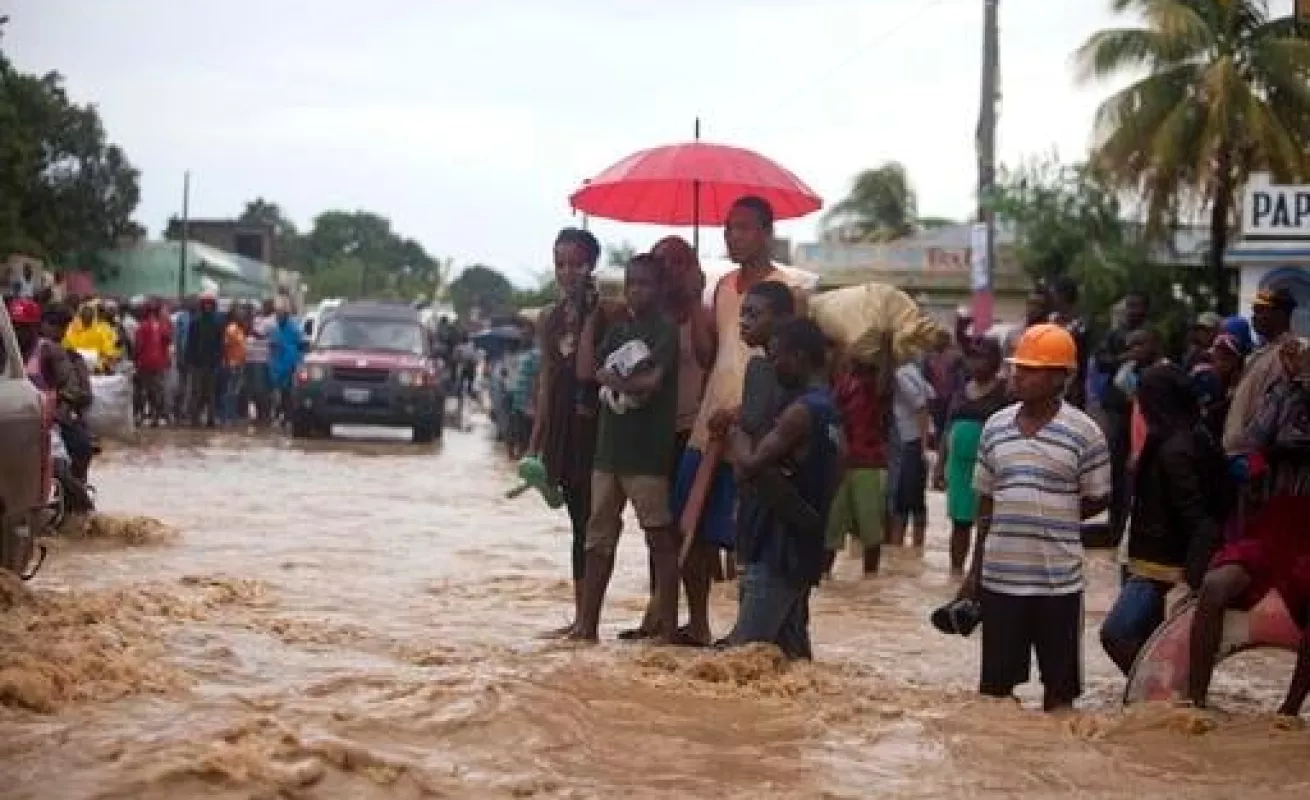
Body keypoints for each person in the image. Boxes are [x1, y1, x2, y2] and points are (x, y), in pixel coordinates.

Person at [670, 196, 811, 646]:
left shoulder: (788, 290)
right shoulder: (721, 287)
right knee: (689, 525)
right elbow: (709, 354)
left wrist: (747, 412)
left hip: (761, 429)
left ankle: (760, 631)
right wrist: (695, 298)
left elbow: (797, 362)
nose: (733, 236)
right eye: (729, 228)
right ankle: (697, 622)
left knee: (754, 535)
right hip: (709, 423)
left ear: (766, 232)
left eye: (743, 228)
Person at [958, 323, 1112, 712]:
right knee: (995, 696)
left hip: (1058, 583)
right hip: (1000, 581)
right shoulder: (995, 427)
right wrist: (974, 573)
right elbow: (986, 503)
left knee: (1060, 695)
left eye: (1031, 370)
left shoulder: (1085, 433)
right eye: (1017, 367)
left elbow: (1097, 498)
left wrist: (1051, 512)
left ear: (1060, 377)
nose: (1018, 376)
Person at [1190, 341, 1310, 716]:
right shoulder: (1283, 393)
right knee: (1214, 586)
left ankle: (1289, 712)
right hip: (1270, 527)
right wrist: (1291, 385)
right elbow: (1252, 440)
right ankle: (1194, 702)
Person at [570, 254, 680, 643]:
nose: (636, 291)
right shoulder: (618, 331)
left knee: (660, 538)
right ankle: (587, 626)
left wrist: (613, 381)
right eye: (631, 284)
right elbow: (586, 370)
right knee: (597, 540)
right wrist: (590, 319)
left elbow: (651, 382)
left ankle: (668, 628)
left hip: (647, 454)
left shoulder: (665, 330)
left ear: (660, 288)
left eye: (645, 284)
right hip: (609, 452)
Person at [719, 318, 842, 659]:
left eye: (777, 356)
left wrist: (735, 434)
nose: (772, 365)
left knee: (740, 659)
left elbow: (747, 468)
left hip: (776, 551)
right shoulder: (828, 409)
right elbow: (837, 474)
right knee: (792, 660)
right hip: (802, 549)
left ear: (798, 357)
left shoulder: (799, 413)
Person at [1100, 364, 1227, 675]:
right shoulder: (1182, 436)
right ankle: (1157, 696)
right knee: (1149, 642)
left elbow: (1201, 520)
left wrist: (1193, 580)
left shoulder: (1176, 449)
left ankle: (1155, 691)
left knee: (1115, 634)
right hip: (1147, 557)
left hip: (1161, 566)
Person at [619, 235, 714, 642]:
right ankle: (658, 615)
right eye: (662, 261)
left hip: (692, 431)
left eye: (678, 261)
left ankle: (698, 621)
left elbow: (709, 357)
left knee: (693, 530)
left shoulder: (701, 313)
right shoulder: (644, 320)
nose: (670, 268)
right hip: (652, 431)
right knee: (657, 530)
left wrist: (693, 300)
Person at [528, 227, 609, 638]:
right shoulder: (549, 317)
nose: (567, 272)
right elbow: (546, 380)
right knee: (578, 523)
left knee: (595, 524)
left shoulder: (609, 312)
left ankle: (589, 620)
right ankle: (581, 618)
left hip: (598, 425)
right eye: (560, 264)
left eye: (576, 264)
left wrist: (591, 315)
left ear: (591, 265)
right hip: (563, 427)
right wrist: (536, 442)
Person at [933, 336, 1009, 574]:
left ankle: (981, 573)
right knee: (960, 522)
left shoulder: (1005, 392)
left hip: (990, 466)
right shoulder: (960, 391)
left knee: (987, 523)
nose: (975, 363)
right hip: (958, 468)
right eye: (972, 357)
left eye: (982, 357)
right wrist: (939, 466)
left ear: (995, 361)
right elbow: (947, 429)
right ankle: (956, 572)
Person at [826, 337, 892, 577]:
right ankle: (824, 579)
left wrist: (886, 343)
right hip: (840, 465)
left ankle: (870, 578)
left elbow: (885, 376)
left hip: (868, 464)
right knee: (831, 529)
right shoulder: (842, 383)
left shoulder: (876, 386)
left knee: (870, 530)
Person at [1094, 291, 1150, 541]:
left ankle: (1135, 522)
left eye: (1138, 306)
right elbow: (1100, 360)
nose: (1133, 311)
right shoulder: (1115, 335)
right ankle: (1115, 522)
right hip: (1118, 409)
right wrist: (1123, 358)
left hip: (1144, 410)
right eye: (1130, 305)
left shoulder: (1151, 336)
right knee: (1116, 463)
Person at [1223, 289, 1300, 453]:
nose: (1254, 317)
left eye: (1260, 311)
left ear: (1280, 315)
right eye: (1254, 311)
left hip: (1260, 454)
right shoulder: (1262, 352)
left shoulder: (1292, 353)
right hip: (1240, 452)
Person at [887, 359, 932, 548]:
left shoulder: (900, 375)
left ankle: (898, 549)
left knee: (903, 502)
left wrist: (923, 447)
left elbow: (921, 407)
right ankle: (912, 552)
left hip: (909, 441)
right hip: (910, 441)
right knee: (914, 501)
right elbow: (930, 393)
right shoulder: (910, 370)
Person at [1048, 276, 1089, 409]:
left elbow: (1079, 355)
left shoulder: (1081, 324)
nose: (1051, 298)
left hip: (1072, 380)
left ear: (1063, 296)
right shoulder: (1051, 319)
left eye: (1053, 294)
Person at [185, 291, 224, 427]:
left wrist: (219, 359)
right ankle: (194, 418)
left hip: (212, 363)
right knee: (196, 391)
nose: (208, 306)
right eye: (205, 303)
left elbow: (220, 343)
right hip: (197, 363)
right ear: (202, 305)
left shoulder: (217, 322)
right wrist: (189, 360)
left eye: (210, 303)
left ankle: (211, 418)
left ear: (213, 305)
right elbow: (190, 343)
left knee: (210, 392)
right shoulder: (195, 321)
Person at [133, 300, 172, 427]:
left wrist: (135, 359)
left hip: (144, 362)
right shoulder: (162, 326)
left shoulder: (142, 327)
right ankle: (155, 416)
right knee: (157, 390)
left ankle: (141, 416)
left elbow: (138, 345)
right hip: (159, 363)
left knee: (143, 390)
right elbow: (167, 342)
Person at [267, 299, 303, 425]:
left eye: (281, 313)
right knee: (280, 393)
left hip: (291, 366)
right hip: (279, 367)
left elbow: (300, 346)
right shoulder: (275, 329)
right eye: (277, 313)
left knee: (289, 393)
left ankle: (288, 416)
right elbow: (272, 347)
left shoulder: (294, 328)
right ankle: (282, 415)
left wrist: (296, 364)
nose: (278, 316)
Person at [62, 301, 118, 369]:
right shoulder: (71, 328)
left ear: (93, 316)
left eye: (89, 316)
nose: (86, 317)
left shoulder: (103, 329)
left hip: (97, 367)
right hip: (75, 365)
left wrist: (102, 363)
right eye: (84, 315)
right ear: (80, 316)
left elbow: (108, 352)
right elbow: (66, 347)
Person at [221, 307, 248, 424]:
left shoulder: (240, 329)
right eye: (240, 314)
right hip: (233, 363)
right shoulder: (231, 329)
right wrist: (228, 361)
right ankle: (227, 415)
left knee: (235, 390)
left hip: (240, 363)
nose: (242, 316)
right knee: (230, 390)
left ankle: (233, 414)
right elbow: (226, 345)